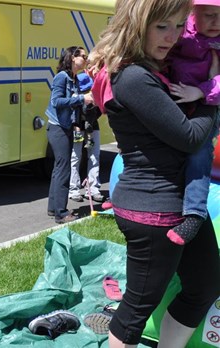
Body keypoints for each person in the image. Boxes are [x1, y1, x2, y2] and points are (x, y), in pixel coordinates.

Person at [88, 0, 220, 347]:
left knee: (205, 284)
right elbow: (190, 137)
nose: (172, 37)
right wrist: (211, 94)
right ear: (137, 22)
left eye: (179, 26)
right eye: (162, 26)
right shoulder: (133, 77)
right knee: (136, 309)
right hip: (153, 209)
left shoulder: (155, 69)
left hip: (181, 204)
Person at [165, 0, 220, 245]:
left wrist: (201, 91)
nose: (216, 23)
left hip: (202, 103)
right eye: (209, 15)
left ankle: (194, 213)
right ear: (192, 12)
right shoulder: (180, 32)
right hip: (174, 100)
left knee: (200, 154)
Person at [46, 46, 93, 224]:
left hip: (65, 127)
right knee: (64, 169)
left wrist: (76, 124)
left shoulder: (74, 79)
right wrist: (82, 99)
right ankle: (62, 213)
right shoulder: (62, 77)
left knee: (59, 169)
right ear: (73, 58)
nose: (86, 59)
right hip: (57, 128)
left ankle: (53, 208)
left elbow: (71, 106)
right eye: (83, 56)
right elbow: (56, 101)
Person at [68, 71, 104, 203]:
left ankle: (93, 188)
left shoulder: (96, 96)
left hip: (92, 127)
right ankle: (73, 189)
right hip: (77, 126)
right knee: (75, 157)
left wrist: (91, 119)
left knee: (94, 156)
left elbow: (101, 110)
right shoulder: (76, 98)